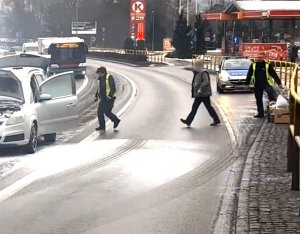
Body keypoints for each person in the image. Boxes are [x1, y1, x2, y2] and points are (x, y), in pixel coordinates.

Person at [180, 60, 221, 127]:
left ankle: (216, 120)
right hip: (199, 94)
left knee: (208, 107)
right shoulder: (197, 72)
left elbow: (206, 81)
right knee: (195, 107)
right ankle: (188, 121)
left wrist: (200, 88)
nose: (194, 67)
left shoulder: (203, 72)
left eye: (195, 65)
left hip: (204, 94)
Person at [245, 52, 283, 118]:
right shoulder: (253, 65)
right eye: (258, 57)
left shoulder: (267, 65)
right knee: (258, 98)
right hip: (257, 84)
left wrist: (279, 83)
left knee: (271, 97)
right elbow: (249, 74)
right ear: (256, 58)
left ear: (263, 57)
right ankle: (260, 113)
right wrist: (247, 83)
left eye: (261, 57)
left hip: (267, 83)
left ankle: (273, 112)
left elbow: (274, 74)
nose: (259, 58)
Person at [94, 66, 120, 131]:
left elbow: (113, 88)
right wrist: (96, 96)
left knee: (107, 112)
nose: (99, 75)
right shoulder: (100, 78)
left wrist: (109, 96)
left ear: (103, 72)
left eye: (100, 73)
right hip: (103, 98)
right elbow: (99, 88)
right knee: (100, 112)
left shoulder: (109, 77)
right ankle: (102, 126)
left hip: (109, 98)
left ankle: (116, 120)